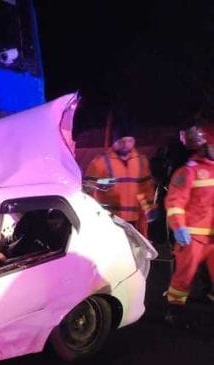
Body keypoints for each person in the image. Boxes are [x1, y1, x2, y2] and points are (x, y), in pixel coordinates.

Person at [163, 122, 214, 326]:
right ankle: (174, 310)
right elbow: (175, 202)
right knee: (184, 276)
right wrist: (179, 226)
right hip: (192, 235)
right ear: (204, 146)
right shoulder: (188, 171)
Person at [83, 122, 158, 238]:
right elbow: (88, 188)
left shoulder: (141, 162)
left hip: (135, 221)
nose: (125, 145)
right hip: (109, 220)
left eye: (129, 141)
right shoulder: (100, 162)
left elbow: (146, 189)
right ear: (114, 142)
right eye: (121, 141)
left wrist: (149, 208)